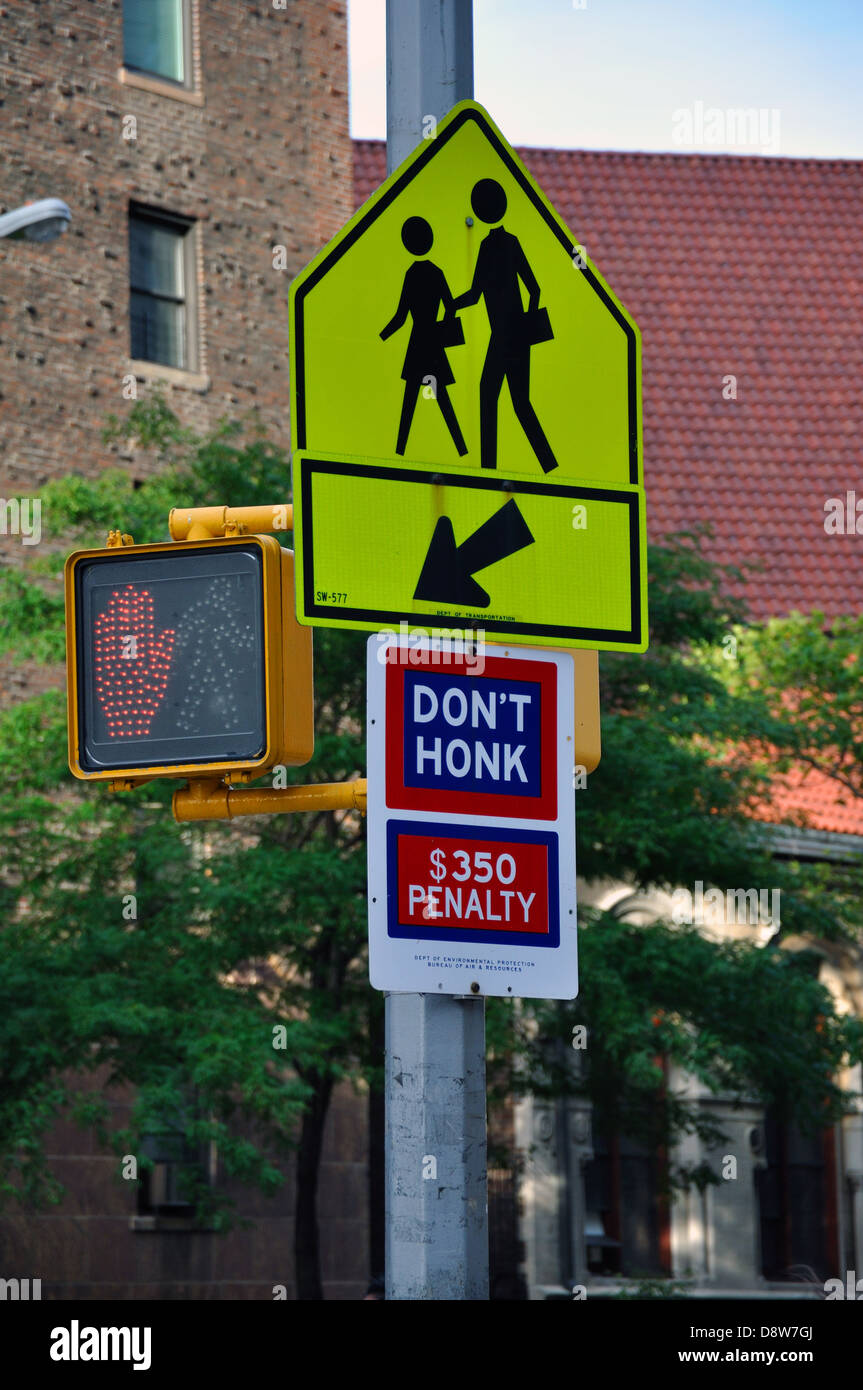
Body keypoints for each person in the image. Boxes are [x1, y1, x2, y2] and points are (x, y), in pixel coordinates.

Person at [455, 178, 558, 473]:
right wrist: (451, 303)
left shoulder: (501, 245)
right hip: (506, 336)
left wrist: (525, 325)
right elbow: (478, 294)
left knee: (503, 398)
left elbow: (531, 287)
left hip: (508, 335)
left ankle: (511, 469)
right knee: (507, 399)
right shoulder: (493, 245)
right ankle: (527, 467)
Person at [380, 215, 467, 458]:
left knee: (410, 401)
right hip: (433, 341)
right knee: (441, 398)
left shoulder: (412, 274)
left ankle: (400, 450)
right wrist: (445, 327)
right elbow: (450, 305)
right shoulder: (436, 272)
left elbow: (401, 316)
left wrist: (380, 337)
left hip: (418, 342)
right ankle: (461, 449)